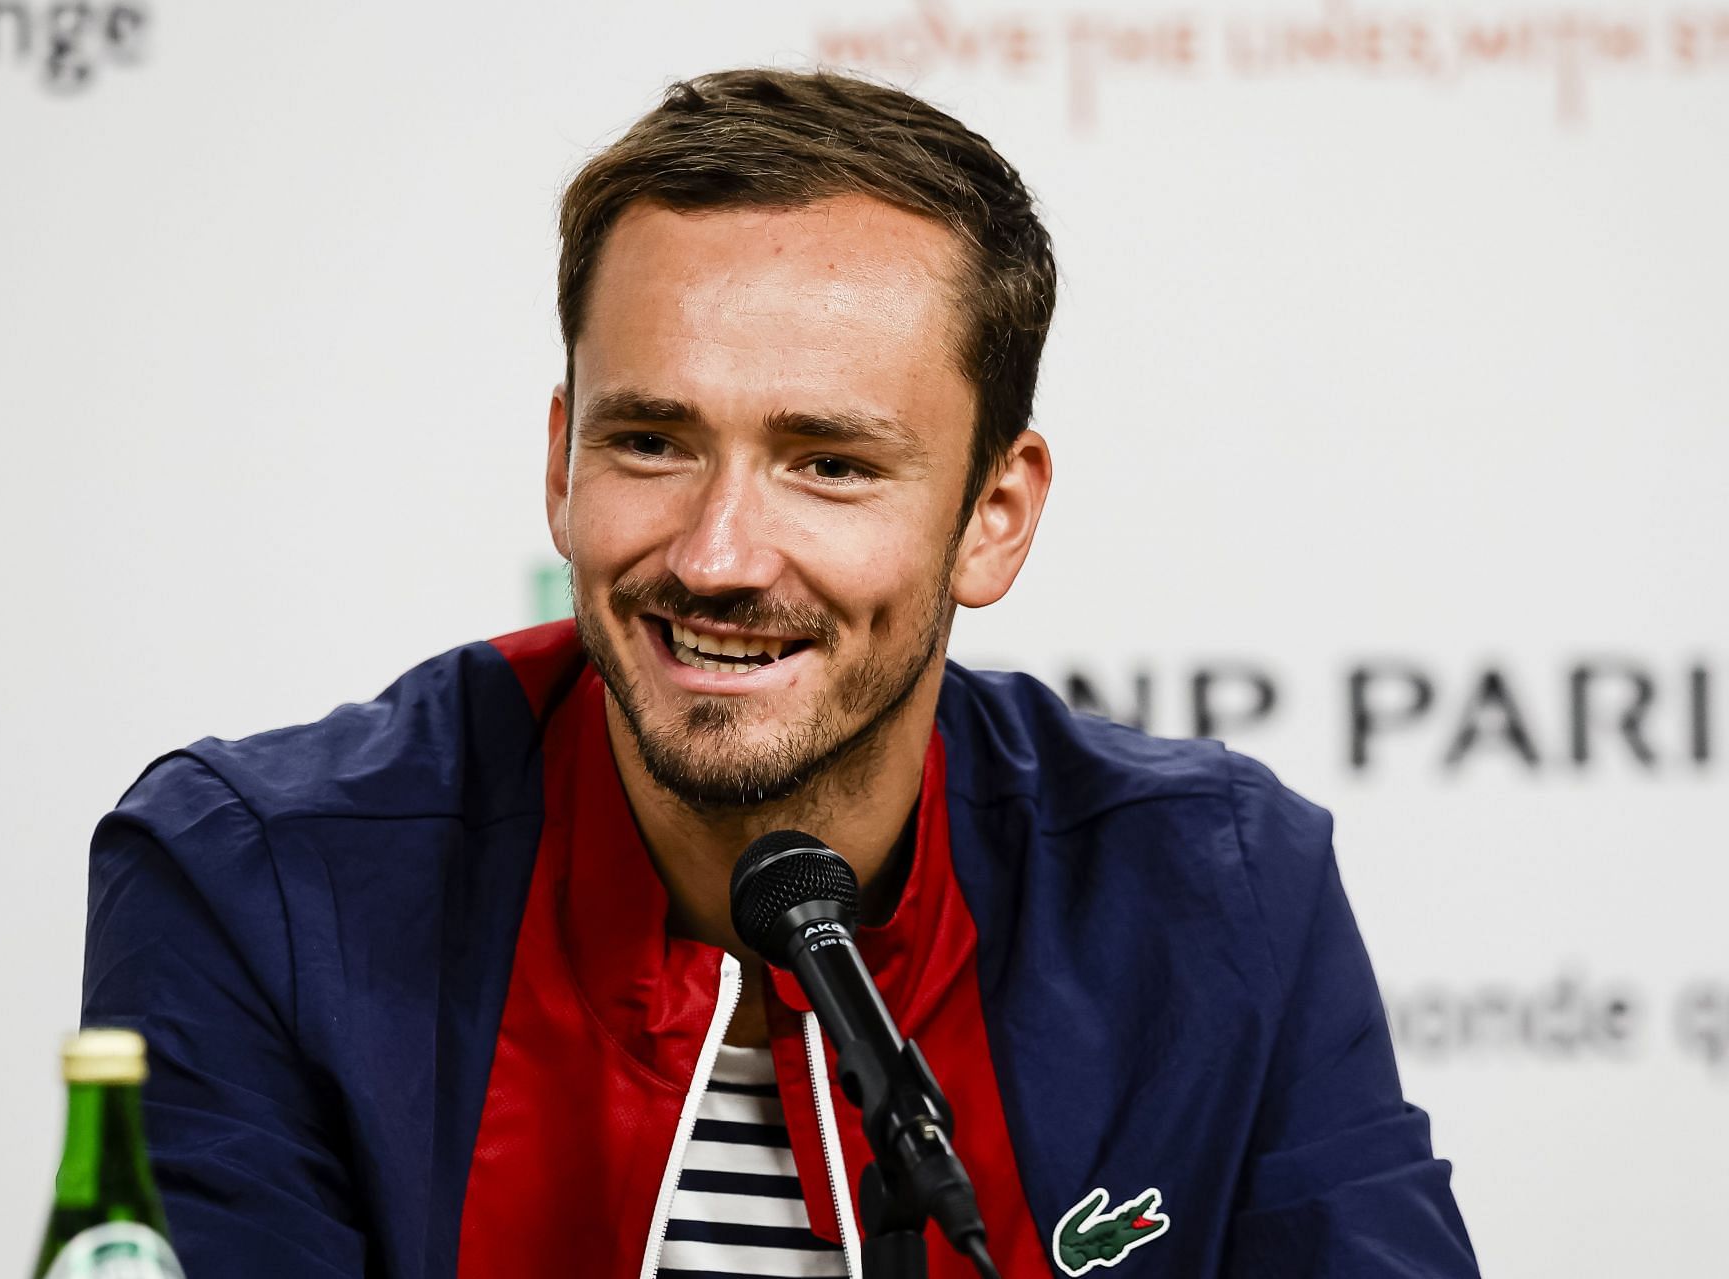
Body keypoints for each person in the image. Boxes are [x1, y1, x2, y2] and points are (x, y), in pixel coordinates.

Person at [82, 68, 1479, 1278]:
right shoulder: (256, 882)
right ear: (560, 464)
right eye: (650, 442)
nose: (719, 553)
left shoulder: (1219, 890)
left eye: (830, 464)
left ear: (995, 515)